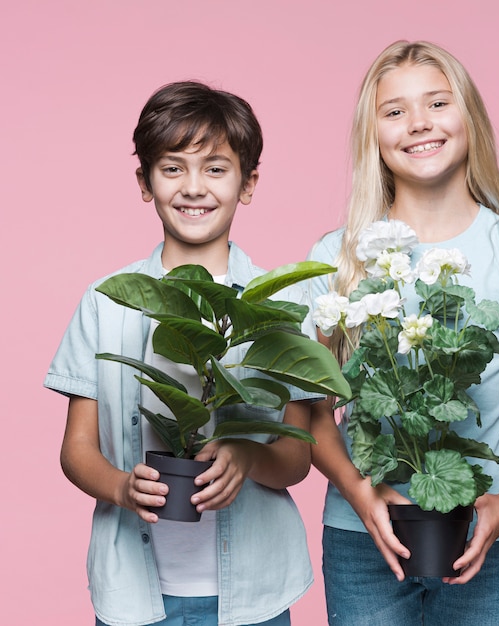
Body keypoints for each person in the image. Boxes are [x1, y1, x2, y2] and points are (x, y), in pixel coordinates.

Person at [307, 40, 499, 625]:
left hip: (486, 533)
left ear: (470, 119)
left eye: (438, 102)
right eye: (395, 111)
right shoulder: (339, 257)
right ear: (373, 135)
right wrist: (360, 493)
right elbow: (309, 411)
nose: (419, 124)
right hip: (362, 540)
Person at [45, 81, 317, 626]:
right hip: (134, 593)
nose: (194, 187)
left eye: (216, 168)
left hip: (255, 594)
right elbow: (76, 449)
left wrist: (246, 456)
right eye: (173, 168)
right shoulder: (109, 300)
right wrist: (121, 486)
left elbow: (297, 460)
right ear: (145, 182)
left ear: (248, 182)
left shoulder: (285, 305)